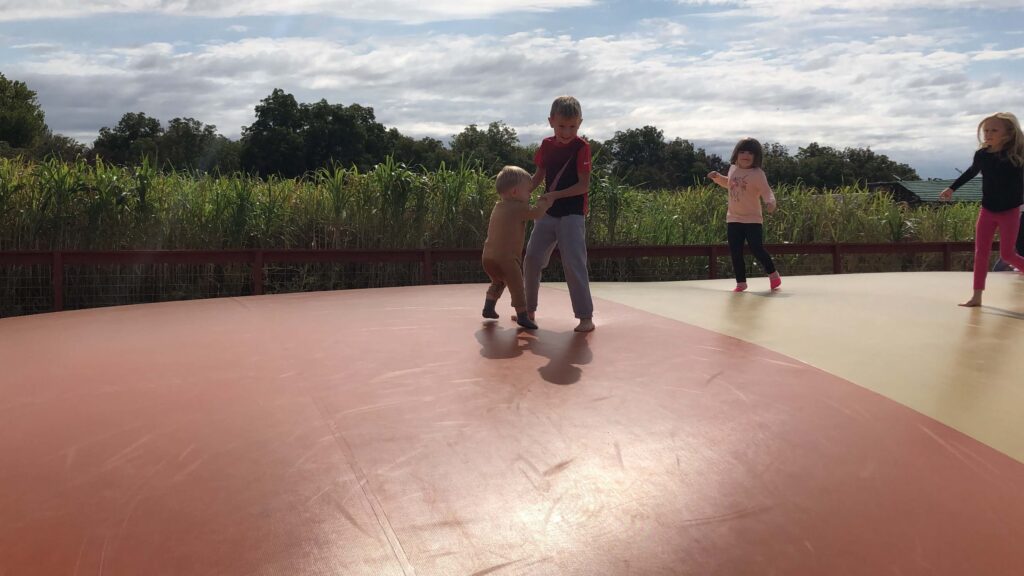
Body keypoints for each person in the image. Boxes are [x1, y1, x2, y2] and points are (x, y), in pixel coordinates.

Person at [523, 95, 595, 332]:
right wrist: (521, 196)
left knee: (573, 262)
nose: (566, 131)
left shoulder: (582, 147)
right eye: (562, 126)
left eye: (572, 126)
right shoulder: (546, 145)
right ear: (551, 121)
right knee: (532, 258)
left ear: (580, 123)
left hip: (572, 214)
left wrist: (554, 195)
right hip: (547, 212)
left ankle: (585, 317)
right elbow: (538, 176)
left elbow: (583, 186)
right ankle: (528, 310)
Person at [939, 112, 1024, 307]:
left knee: (1007, 255)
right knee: (981, 252)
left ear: (1008, 133)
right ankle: (976, 297)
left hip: (1010, 211)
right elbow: (971, 172)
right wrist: (952, 188)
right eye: (986, 130)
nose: (988, 133)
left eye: (994, 130)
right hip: (988, 210)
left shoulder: (1017, 154)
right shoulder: (982, 155)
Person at [706, 137, 782, 292]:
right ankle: (741, 282)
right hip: (733, 218)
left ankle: (773, 274)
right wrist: (717, 177)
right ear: (736, 154)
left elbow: (767, 192)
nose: (746, 155)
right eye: (742, 151)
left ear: (756, 156)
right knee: (735, 251)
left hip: (752, 219)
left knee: (756, 248)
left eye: (750, 153)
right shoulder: (733, 168)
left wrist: (770, 203)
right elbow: (729, 184)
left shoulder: (757, 174)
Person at [482, 166, 551, 329]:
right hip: (507, 259)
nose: (530, 195)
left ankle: (488, 307)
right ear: (514, 192)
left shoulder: (498, 206)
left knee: (498, 281)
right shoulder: (518, 207)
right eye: (528, 192)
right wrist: (544, 202)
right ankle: (522, 315)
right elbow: (537, 213)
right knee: (517, 286)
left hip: (488, 257)